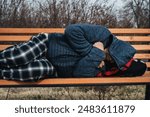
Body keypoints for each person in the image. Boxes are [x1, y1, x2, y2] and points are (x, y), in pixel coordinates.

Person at [0, 23, 147, 81]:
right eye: (112, 58)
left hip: (54, 68)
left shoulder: (103, 69)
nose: (109, 62)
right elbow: (71, 30)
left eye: (114, 64)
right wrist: (93, 50)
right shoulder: (102, 34)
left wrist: (97, 53)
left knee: (34, 71)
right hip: (48, 43)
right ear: (116, 50)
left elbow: (79, 72)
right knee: (22, 56)